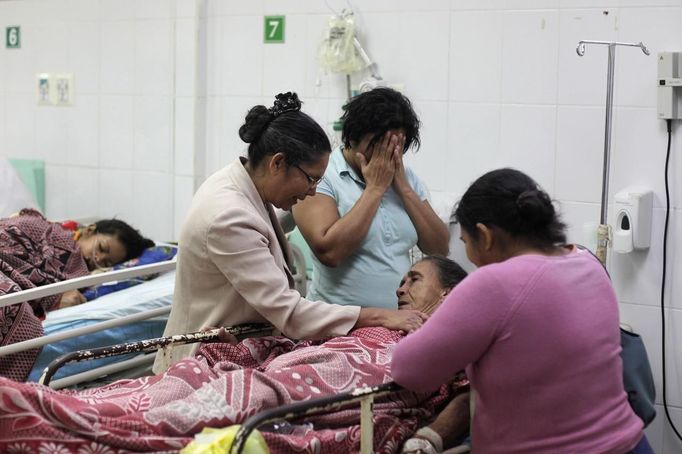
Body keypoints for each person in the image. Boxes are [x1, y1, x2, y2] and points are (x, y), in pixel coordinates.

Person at [0, 256, 469, 454]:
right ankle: (73, 411)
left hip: (312, 391)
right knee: (159, 388)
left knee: (181, 417)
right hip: (280, 371)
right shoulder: (379, 321)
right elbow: (299, 337)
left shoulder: (449, 345)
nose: (399, 287)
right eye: (401, 278)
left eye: (415, 279)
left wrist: (428, 438)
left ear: (448, 295)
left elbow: (464, 398)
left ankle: (49, 416)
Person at [154, 92, 429, 374]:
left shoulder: (244, 184)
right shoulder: (228, 215)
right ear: (277, 163)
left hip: (239, 348)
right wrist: (379, 316)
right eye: (310, 179)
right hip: (202, 361)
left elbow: (437, 243)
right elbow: (291, 312)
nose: (312, 191)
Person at [392, 168, 650, 454]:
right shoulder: (588, 263)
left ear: (485, 235)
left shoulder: (493, 284)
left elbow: (408, 369)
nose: (470, 259)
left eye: (466, 244)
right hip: (629, 444)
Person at [292, 87, 450, 309]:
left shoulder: (406, 178)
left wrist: (403, 187)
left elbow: (439, 248)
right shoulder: (322, 175)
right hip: (336, 324)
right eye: (377, 146)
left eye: (396, 148)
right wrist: (375, 189)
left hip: (395, 322)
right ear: (353, 138)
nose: (385, 156)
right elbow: (330, 252)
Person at [0, 208, 154, 381]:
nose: (97, 259)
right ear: (89, 230)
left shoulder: (82, 279)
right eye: (101, 248)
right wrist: (54, 297)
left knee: (15, 312)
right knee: (12, 307)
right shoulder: (43, 229)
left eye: (106, 262)